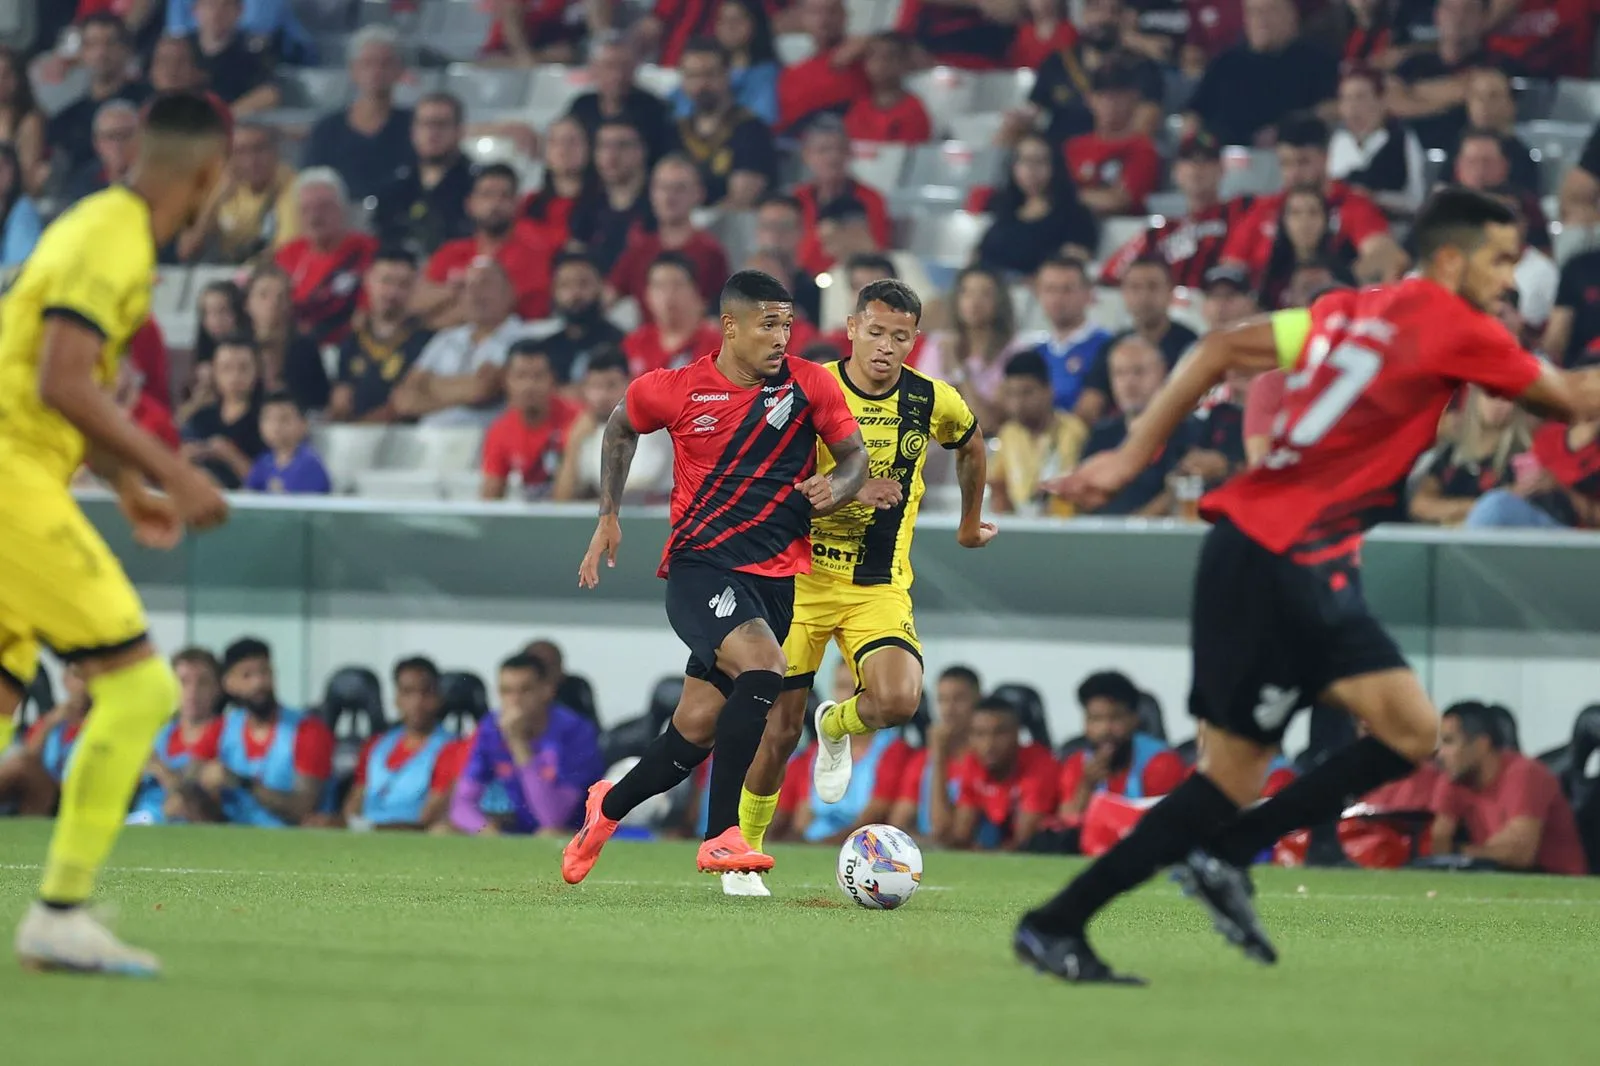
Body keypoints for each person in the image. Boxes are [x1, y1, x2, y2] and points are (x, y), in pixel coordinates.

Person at [1020, 187, 1600, 984]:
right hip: (1275, 558)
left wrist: (1129, 456)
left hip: (1286, 554)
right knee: (1229, 779)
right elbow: (1570, 400)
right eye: (1501, 260)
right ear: (1452, 259)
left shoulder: (1353, 308)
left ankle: (1222, 853)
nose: (1511, 280)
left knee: (1407, 728)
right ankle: (1058, 922)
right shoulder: (1458, 326)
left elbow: (1222, 347)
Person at [3, 91, 231, 978]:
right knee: (139, 692)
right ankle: (59, 911)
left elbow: (47, 380)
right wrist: (175, 473)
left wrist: (127, 483)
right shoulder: (115, 235)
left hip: (27, 469)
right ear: (210, 174)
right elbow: (64, 380)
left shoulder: (90, 221)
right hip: (10, 481)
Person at [560, 270, 869, 884]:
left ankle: (606, 807)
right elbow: (621, 425)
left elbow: (855, 456)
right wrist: (608, 514)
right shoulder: (675, 389)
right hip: (701, 569)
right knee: (765, 668)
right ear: (730, 327)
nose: (782, 337)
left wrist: (838, 485)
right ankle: (722, 834)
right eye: (768, 324)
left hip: (776, 582)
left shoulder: (810, 385)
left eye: (787, 324)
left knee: (692, 734)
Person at [726, 279, 996, 895]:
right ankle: (744, 855)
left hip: (878, 586)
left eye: (899, 337)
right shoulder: (806, 390)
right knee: (776, 728)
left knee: (900, 703)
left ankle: (838, 726)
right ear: (851, 329)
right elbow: (769, 496)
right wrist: (853, 487)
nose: (884, 347)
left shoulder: (933, 400)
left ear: (914, 342)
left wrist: (967, 524)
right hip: (800, 582)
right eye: (874, 332)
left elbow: (972, 444)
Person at [180, 637, 335, 828]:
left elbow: (302, 808)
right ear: (228, 684)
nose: (259, 683)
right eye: (247, 675)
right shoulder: (221, 729)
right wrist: (202, 792)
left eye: (265, 672)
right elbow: (187, 783)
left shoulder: (307, 731)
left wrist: (241, 782)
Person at [449, 653, 605, 835]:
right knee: (444, 830)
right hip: (521, 827)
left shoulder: (576, 732)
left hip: (578, 830)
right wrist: (487, 831)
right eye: (506, 691)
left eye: (525, 690)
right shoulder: (491, 727)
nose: (514, 700)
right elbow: (460, 804)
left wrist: (518, 742)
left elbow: (552, 818)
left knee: (548, 833)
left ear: (547, 690)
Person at [1430, 701, 1588, 875]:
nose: (1440, 754)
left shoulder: (1525, 773)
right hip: (1499, 878)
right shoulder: (1455, 777)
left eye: (1449, 742)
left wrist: (1458, 852)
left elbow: (1519, 854)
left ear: (1481, 744)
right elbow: (1436, 842)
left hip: (1556, 882)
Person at [345, 657, 465, 832]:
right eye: (408, 692)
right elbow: (354, 804)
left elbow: (429, 818)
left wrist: (370, 827)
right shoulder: (375, 745)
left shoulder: (453, 749)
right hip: (366, 835)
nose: (417, 702)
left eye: (426, 692)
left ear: (439, 697)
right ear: (397, 698)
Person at [127, 647, 222, 825]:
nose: (193, 691)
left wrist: (159, 768)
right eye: (183, 682)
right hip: (142, 818)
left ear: (217, 687)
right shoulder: (160, 733)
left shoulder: (225, 735)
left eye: (203, 682)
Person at [479, 342, 580, 500]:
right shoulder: (500, 431)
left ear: (552, 380)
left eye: (538, 376)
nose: (529, 386)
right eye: (520, 376)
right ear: (506, 380)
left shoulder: (579, 420)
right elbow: (490, 498)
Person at [244, 392, 331, 495]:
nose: (275, 426)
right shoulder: (263, 462)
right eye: (268, 419)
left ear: (303, 424)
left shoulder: (310, 465)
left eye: (284, 419)